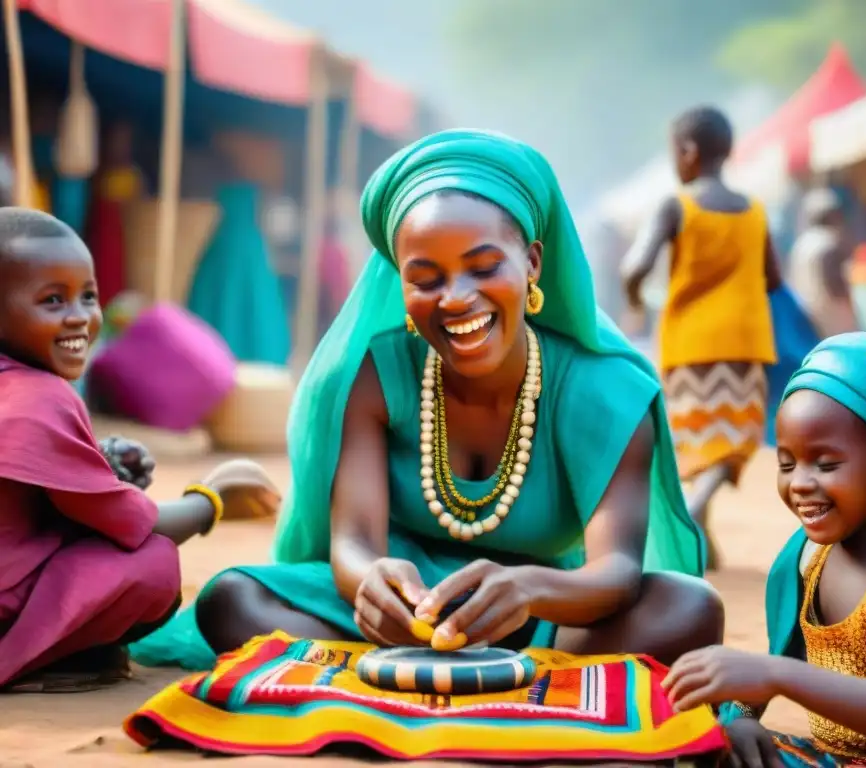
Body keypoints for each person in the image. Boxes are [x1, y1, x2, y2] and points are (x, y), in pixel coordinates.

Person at [129, 128, 722, 672]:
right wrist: (372, 583)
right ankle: (477, 678)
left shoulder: (604, 391)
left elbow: (616, 571)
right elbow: (355, 539)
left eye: (483, 268)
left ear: (533, 263)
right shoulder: (377, 373)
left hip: (548, 618)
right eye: (427, 278)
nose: (457, 298)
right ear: (399, 283)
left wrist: (529, 590)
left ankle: (382, 679)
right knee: (233, 598)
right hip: (405, 622)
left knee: (690, 608)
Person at [0, 207, 277, 692]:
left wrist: (99, 463)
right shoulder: (42, 396)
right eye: (52, 300)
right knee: (152, 564)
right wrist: (211, 500)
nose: (80, 317)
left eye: (88, 295)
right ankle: (44, 657)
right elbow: (134, 525)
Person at [663, 333, 866, 767]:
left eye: (826, 464)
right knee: (703, 747)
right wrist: (743, 716)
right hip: (826, 757)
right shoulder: (810, 558)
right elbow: (784, 651)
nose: (799, 482)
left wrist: (778, 677)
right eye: (787, 463)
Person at [621, 106, 781, 569]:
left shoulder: (678, 205)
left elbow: (634, 267)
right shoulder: (754, 210)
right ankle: (702, 534)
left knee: (696, 440)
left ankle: (690, 517)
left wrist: (635, 302)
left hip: (690, 341)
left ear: (687, 152)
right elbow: (773, 278)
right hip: (746, 340)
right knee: (734, 439)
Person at [787, 187, 860, 338]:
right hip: (831, 317)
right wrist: (850, 308)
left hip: (807, 315)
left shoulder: (801, 244)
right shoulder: (828, 242)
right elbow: (835, 285)